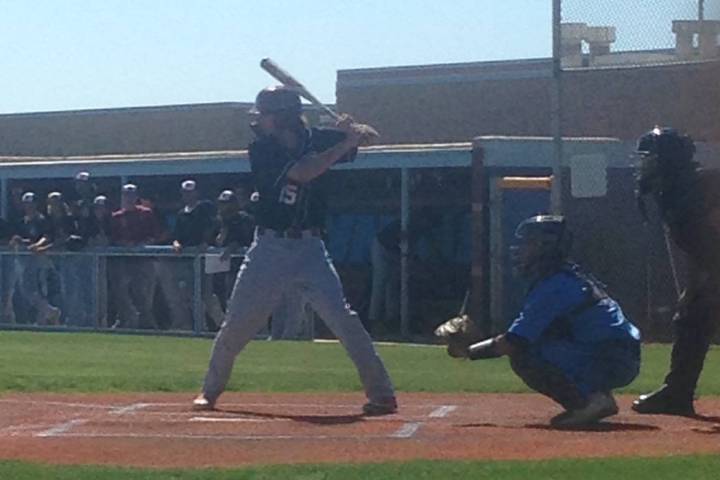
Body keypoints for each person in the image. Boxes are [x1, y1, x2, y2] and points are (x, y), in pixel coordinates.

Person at [193, 85, 397, 415]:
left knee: (344, 320)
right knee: (238, 324)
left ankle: (382, 393)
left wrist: (354, 131)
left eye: (267, 115)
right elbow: (304, 172)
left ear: (283, 117)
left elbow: (366, 140)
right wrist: (345, 141)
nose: (260, 121)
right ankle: (210, 391)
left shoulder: (319, 137)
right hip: (270, 249)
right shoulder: (262, 150)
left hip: (311, 248)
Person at [448, 215, 641, 427]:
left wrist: (470, 351)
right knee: (541, 342)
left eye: (527, 243)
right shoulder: (563, 277)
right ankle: (595, 396)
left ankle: (589, 402)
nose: (520, 249)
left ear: (545, 247)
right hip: (614, 354)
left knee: (525, 354)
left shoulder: (555, 285)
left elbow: (515, 341)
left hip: (611, 357)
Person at [632, 127, 720, 416]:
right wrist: (694, 286)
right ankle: (677, 393)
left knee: (697, 311)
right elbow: (702, 246)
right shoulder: (676, 192)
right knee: (692, 315)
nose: (643, 164)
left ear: (667, 159)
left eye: (650, 157)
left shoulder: (697, 189)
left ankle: (678, 392)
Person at [165, 179, 223, 330]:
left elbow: (214, 224)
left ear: (196, 192)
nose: (188, 195)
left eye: (190, 192)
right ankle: (199, 326)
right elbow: (177, 235)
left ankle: (222, 325)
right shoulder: (181, 214)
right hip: (188, 259)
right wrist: (176, 243)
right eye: (185, 193)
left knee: (208, 294)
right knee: (190, 294)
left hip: (205, 257)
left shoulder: (205, 207)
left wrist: (206, 241)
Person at [109, 183, 164, 329]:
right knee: (121, 292)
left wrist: (141, 245)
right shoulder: (116, 216)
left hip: (144, 260)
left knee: (143, 294)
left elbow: (155, 235)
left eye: (132, 195)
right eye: (126, 195)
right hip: (124, 261)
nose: (129, 198)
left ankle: (148, 324)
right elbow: (113, 238)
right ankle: (125, 319)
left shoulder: (146, 213)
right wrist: (124, 244)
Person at [4, 192, 62, 325]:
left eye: (30, 204)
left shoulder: (41, 220)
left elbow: (46, 236)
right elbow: (19, 238)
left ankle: (48, 313)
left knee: (36, 288)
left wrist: (37, 245)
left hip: (39, 260)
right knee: (26, 290)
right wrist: (17, 241)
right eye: (26, 204)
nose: (28, 207)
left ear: (36, 204)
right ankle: (46, 313)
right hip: (23, 260)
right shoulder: (21, 221)